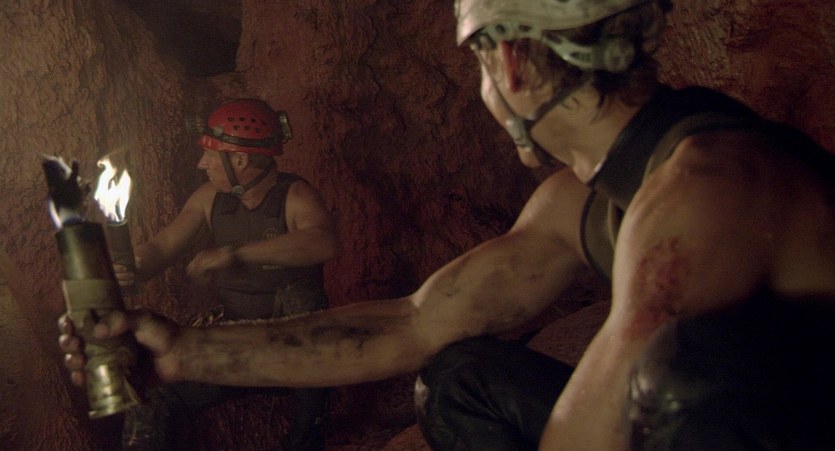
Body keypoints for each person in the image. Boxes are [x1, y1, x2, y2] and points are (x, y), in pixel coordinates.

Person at [60, 1, 835, 449]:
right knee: (458, 378)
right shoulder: (585, 195)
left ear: (510, 64)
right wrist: (182, 351)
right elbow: (413, 323)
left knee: (681, 377)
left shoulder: (704, 192)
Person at [112, 98, 338, 450]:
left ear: (239, 159)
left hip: (295, 352)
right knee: (154, 400)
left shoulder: (295, 196)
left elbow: (322, 243)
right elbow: (163, 246)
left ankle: (307, 433)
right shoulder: (210, 198)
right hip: (237, 346)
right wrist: (132, 266)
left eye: (209, 154)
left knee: (300, 296)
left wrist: (236, 254)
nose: (201, 163)